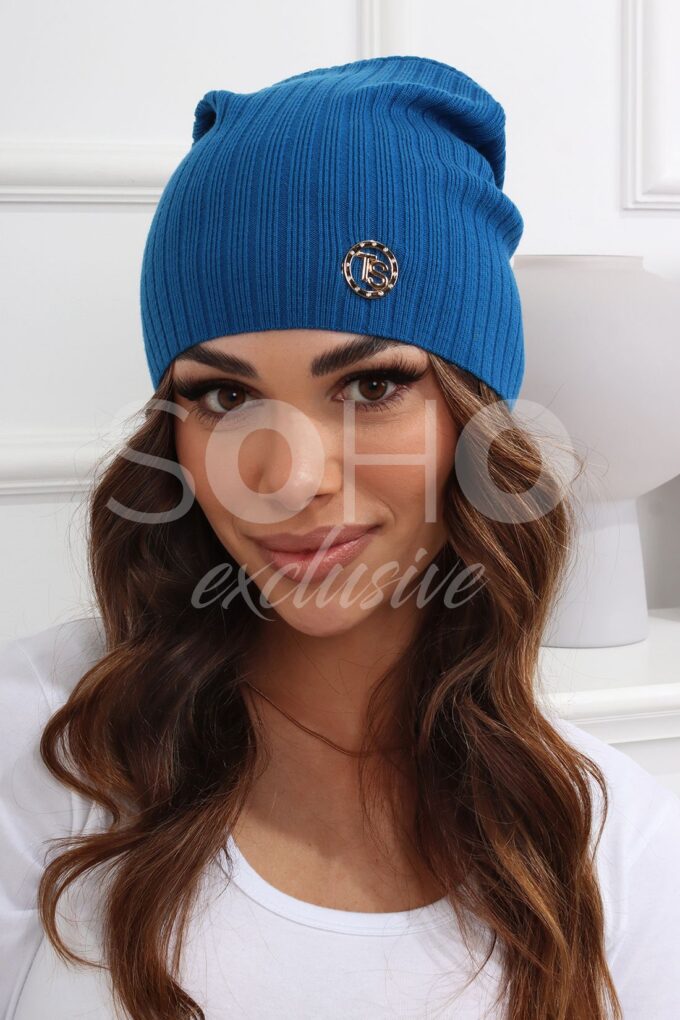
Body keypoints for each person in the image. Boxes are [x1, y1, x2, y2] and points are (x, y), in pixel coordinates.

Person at [1, 54, 679, 1020]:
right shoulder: (42, 741)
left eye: (371, 385)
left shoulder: (620, 847)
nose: (290, 478)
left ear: (474, 420)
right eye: (223, 396)